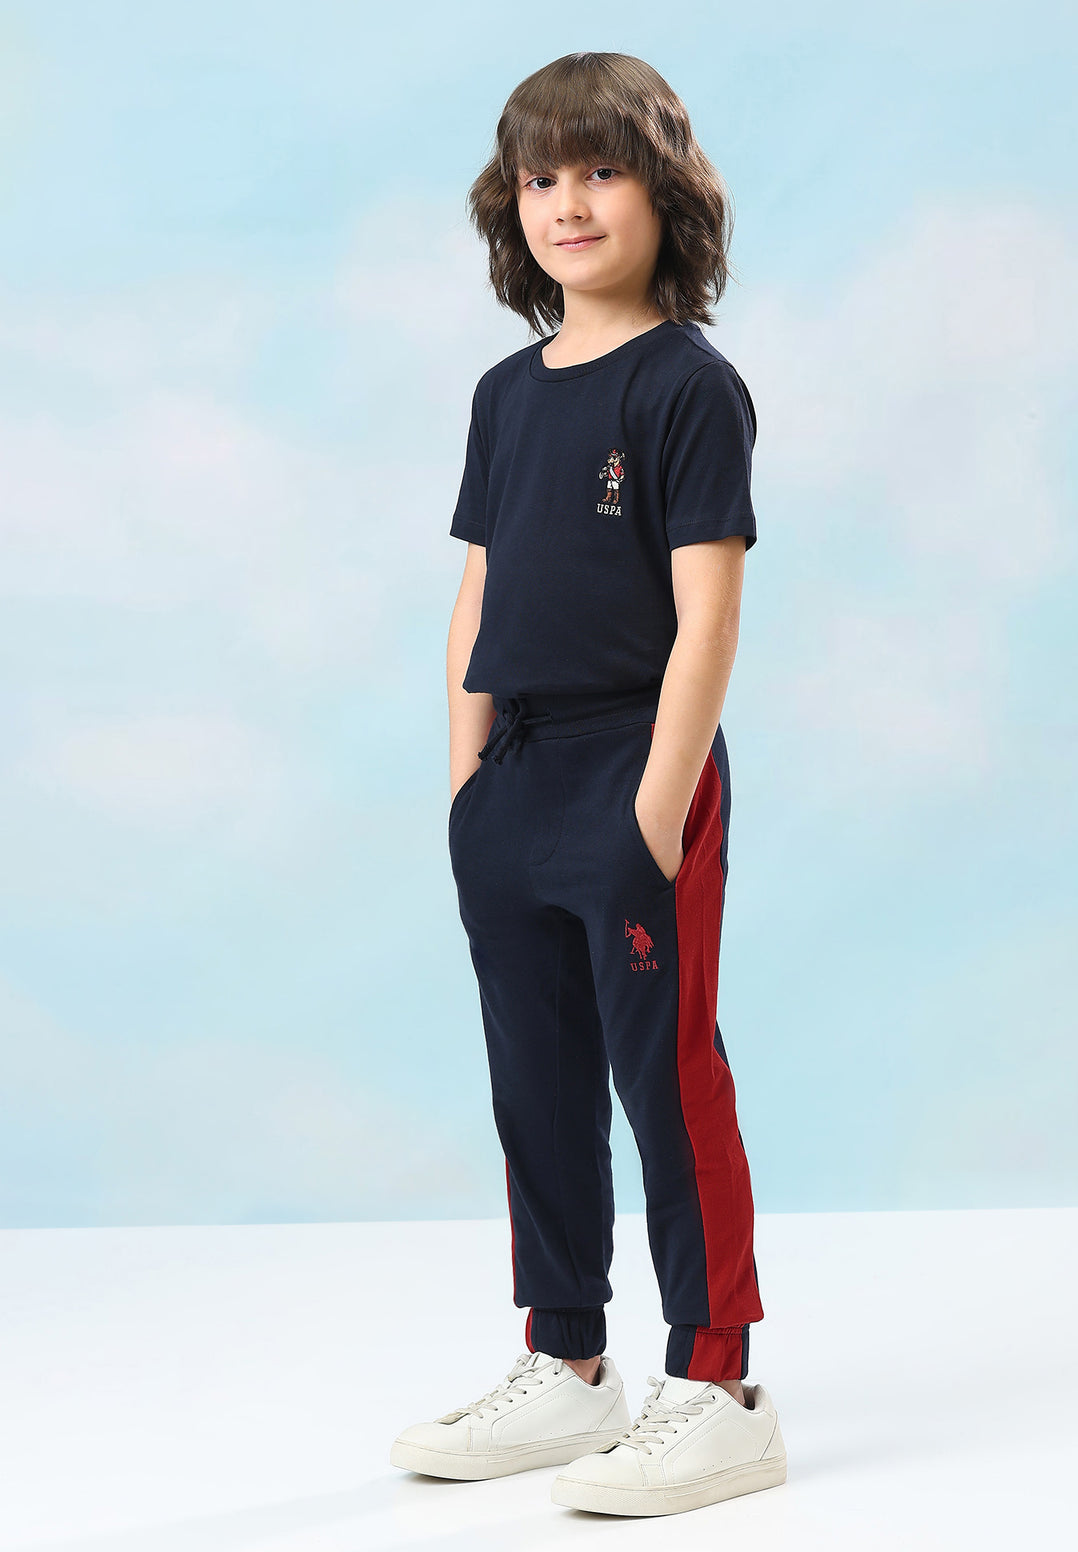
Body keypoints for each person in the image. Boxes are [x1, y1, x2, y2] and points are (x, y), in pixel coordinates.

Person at [390, 51, 787, 1517]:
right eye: (542, 178)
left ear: (664, 193)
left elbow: (709, 615)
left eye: (601, 171)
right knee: (536, 1083)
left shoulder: (689, 386)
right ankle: (566, 1361)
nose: (569, 202)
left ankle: (719, 1387)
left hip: (636, 769)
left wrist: (655, 809)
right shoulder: (505, 396)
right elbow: (478, 593)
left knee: (667, 1082)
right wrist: (467, 789)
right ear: (512, 209)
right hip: (517, 781)